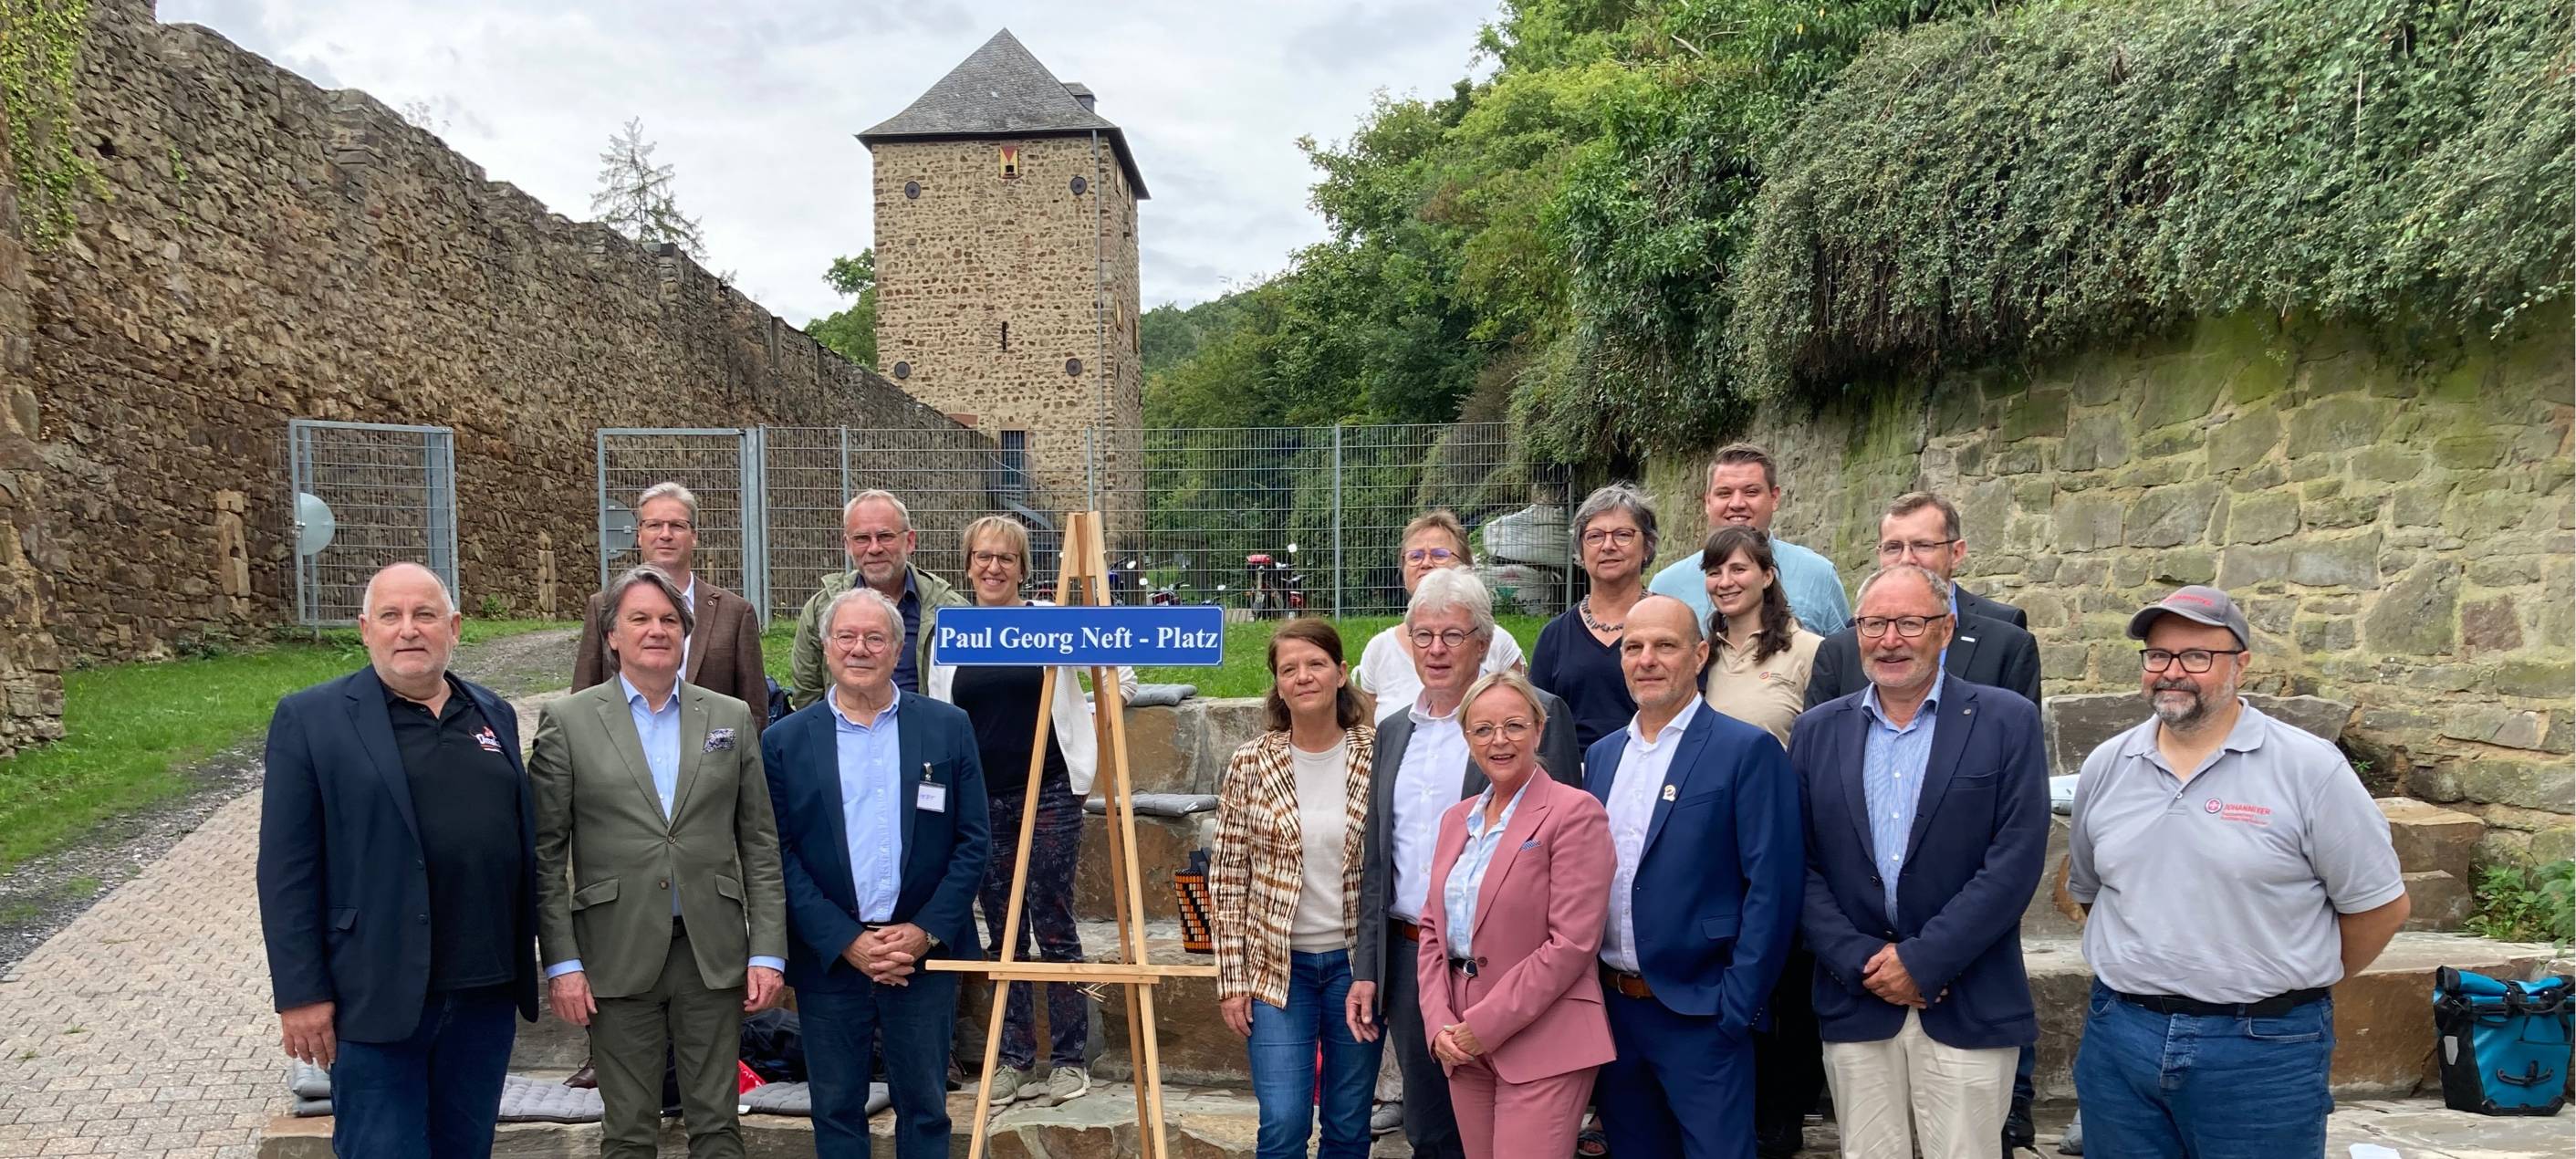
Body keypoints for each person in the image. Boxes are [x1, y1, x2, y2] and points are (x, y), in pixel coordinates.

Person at [2068, 586, 2408, 1159]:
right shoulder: (2109, 764)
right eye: (2158, 656)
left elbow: (2380, 907)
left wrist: (2283, 979)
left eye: (2197, 656)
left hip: (2262, 1048)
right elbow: (2087, 890)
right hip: (2120, 1039)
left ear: (2240, 664)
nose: (2173, 672)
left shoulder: (2309, 769)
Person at [1790, 491, 2046, 1155]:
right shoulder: (1818, 730)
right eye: (1872, 625)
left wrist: (1924, 960)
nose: (1888, 641)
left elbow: (2014, 859)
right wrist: (1857, 959)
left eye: (1908, 624)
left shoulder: (2003, 721)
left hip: (1964, 998)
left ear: (1943, 628)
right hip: (1858, 997)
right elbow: (1800, 863)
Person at [257, 563, 539, 1159]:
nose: (408, 630)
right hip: (373, 1002)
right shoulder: (312, 719)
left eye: (425, 615)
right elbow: (286, 870)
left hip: (482, 998)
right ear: (366, 629)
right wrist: (300, 994)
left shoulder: (493, 713)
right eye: (391, 616)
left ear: (454, 627)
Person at [530, 566, 787, 1159]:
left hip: (713, 953)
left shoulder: (727, 719)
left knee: (719, 1128)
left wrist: (768, 952)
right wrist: (562, 963)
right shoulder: (567, 723)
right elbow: (546, 857)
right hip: (613, 953)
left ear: (686, 634)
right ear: (611, 636)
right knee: (627, 1133)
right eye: (639, 619)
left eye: (669, 619)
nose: (656, 630)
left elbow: (759, 844)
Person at [1350, 569, 1582, 1159]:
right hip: (1410, 960)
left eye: (1452, 636)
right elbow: (1379, 859)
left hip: (1510, 958)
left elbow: (1560, 853)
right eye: (1422, 635)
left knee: (1514, 1125)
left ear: (1483, 642)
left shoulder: (1535, 718)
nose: (1435, 650)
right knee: (1430, 1130)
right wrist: (1368, 964)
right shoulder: (1392, 732)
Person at [764, 587, 991, 1159]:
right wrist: (847, 942)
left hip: (924, 951)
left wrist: (923, 933)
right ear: (825, 647)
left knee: (927, 1109)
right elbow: (777, 854)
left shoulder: (947, 727)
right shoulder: (785, 741)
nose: (859, 649)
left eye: (875, 638)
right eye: (847, 636)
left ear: (897, 648)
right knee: (836, 1111)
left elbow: (973, 842)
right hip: (831, 958)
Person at [923, 515, 1133, 1108]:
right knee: (1003, 929)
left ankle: (1067, 1059)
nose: (993, 567)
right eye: (983, 557)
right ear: (967, 565)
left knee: (1052, 916)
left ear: (1022, 568)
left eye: (1005, 559)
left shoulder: (1048, 622)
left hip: (1049, 791)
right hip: (980, 798)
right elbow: (942, 714)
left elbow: (1123, 667)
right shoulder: (953, 633)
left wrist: (1099, 711)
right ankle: (1015, 1058)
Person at [1583, 594, 1802, 1159]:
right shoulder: (1605, 757)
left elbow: (1773, 891)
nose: (1647, 659)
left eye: (1665, 646)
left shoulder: (1745, 750)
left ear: (1700, 654)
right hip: (1614, 1011)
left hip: (1702, 1012)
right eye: (1634, 647)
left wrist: (1736, 1004)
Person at [1417, 671, 1617, 1159]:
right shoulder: (1455, 819)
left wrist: (1482, 1025)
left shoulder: (1574, 812)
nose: (1498, 740)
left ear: (1539, 728)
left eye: (1513, 725)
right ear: (1467, 738)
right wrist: (1439, 1022)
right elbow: (1431, 929)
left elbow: (1571, 944)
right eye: (1483, 729)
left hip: (1544, 1039)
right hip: (1462, 1044)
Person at [1210, 619, 1383, 1159]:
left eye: (1315, 664)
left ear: (1341, 673)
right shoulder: (1252, 763)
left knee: (1349, 1123)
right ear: (1278, 685)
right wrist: (1232, 978)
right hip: (1276, 971)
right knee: (1283, 1123)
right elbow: (1227, 877)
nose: (1303, 676)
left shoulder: (1378, 755)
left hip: (1356, 970)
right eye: (1289, 669)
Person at [1806, 492, 2039, 711]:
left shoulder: (2006, 638)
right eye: (1893, 547)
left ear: (1956, 553)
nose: (1907, 559)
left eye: (1923, 545)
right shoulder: (1840, 648)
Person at [573, 483, 767, 716]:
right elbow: (582, 700)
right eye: (654, 525)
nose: (665, 535)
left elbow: (754, 711)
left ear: (693, 536)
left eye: (677, 525)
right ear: (639, 535)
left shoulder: (735, 613)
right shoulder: (602, 606)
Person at [1648, 443, 1849, 636]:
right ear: (1708, 502)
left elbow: (1844, 661)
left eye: (1751, 492)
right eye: (1724, 493)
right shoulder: (1667, 587)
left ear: (1775, 498)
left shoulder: (1818, 575)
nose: (1737, 503)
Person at [789, 489, 966, 706]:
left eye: (885, 536)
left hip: (925, 736)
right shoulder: (821, 609)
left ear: (910, 541)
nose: (874, 548)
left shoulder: (951, 611)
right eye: (862, 538)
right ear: (847, 545)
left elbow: (965, 692)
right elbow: (807, 694)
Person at [1354, 510, 1526, 723]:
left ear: (1466, 565)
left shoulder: (1496, 642)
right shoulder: (1379, 650)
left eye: (1439, 554)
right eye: (1415, 556)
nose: (1425, 563)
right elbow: (1371, 736)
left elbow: (1524, 720)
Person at [1529, 484, 1653, 752]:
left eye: (1623, 535)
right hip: (1573, 780)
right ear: (1581, 553)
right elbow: (1535, 722)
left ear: (1647, 546)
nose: (1608, 546)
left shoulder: (1671, 626)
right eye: (1595, 536)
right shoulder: (1554, 637)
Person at [1698, 526, 1823, 747]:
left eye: (1738, 569)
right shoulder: (1702, 658)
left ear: (1767, 577)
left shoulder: (1810, 651)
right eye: (1714, 572)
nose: (1725, 582)